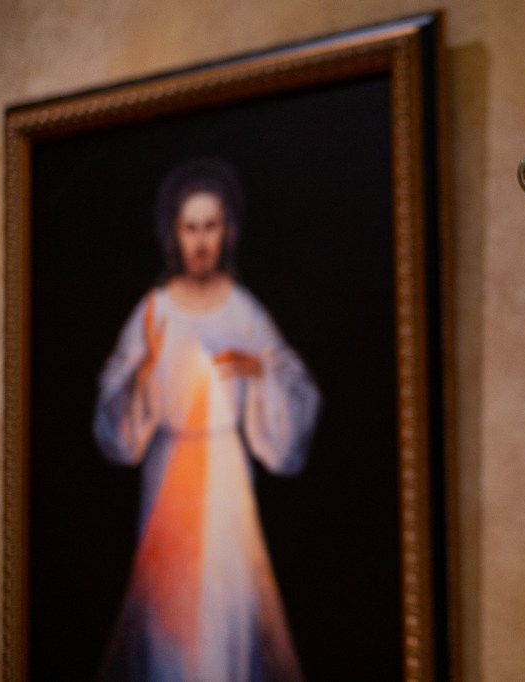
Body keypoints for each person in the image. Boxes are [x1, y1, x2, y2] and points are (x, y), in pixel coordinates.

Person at [93, 158, 321, 681]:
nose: (200, 241)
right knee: (166, 621)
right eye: (190, 228)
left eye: (210, 227)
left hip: (225, 482)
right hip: (167, 478)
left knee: (226, 614)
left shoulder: (242, 309)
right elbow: (112, 409)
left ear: (227, 232)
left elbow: (295, 386)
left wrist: (259, 372)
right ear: (174, 234)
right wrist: (145, 371)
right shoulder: (154, 309)